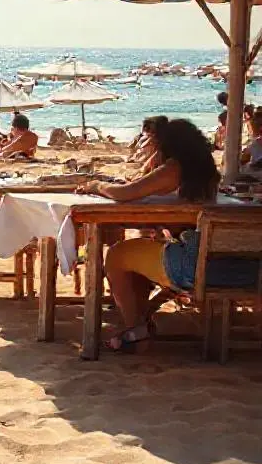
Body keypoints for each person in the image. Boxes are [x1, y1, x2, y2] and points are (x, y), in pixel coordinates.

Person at [75, 119, 221, 352]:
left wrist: (96, 186)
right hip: (216, 261)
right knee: (139, 252)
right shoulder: (207, 171)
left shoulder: (174, 169)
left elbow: (124, 193)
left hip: (189, 264)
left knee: (117, 255)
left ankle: (136, 331)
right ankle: (141, 318)